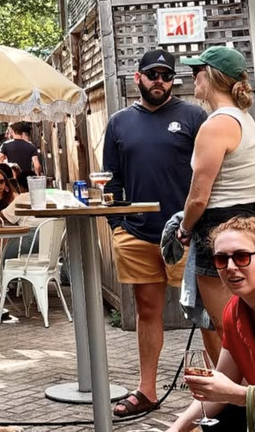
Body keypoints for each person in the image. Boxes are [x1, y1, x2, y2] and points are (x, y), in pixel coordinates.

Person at [103, 49, 207, 417]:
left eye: (166, 75)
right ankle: (146, 390)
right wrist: (118, 227)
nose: (159, 81)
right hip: (137, 235)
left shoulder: (194, 116)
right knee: (148, 313)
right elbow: (110, 181)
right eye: (152, 75)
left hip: (186, 235)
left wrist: (197, 225)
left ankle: (217, 397)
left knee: (206, 314)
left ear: (172, 80)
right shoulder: (118, 122)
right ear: (138, 78)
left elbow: (209, 175)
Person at [176, 46, 255, 362]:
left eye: (197, 71)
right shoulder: (245, 119)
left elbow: (198, 197)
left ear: (210, 77)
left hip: (219, 231)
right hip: (246, 226)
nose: (192, 76)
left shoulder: (216, 124)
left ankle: (235, 405)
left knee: (230, 330)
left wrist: (183, 228)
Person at [167, 216, 255, 431]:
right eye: (221, 260)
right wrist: (175, 429)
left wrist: (239, 395)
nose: (231, 267)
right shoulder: (234, 311)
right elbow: (219, 390)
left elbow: (230, 392)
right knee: (218, 420)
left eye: (242, 257)